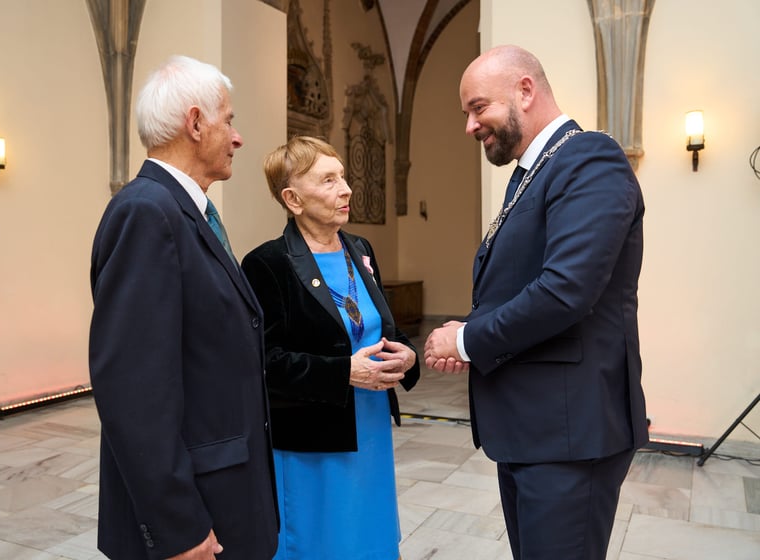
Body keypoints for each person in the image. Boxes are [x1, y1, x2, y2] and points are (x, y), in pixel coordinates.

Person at [424, 45, 648, 560]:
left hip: (568, 433)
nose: (470, 126)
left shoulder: (589, 158)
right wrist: (472, 337)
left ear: (524, 90)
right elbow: (516, 286)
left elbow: (564, 290)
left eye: (478, 107)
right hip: (532, 428)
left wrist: (467, 340)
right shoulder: (534, 171)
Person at [88, 55, 278, 560]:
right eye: (229, 121)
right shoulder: (146, 213)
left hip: (221, 488)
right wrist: (178, 527)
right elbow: (134, 391)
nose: (237, 137)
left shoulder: (181, 211)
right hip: (194, 517)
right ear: (195, 124)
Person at [241, 136, 420, 560]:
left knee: (367, 535)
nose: (346, 189)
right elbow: (264, 362)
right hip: (312, 439)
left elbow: (380, 326)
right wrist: (344, 372)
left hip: (370, 427)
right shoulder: (267, 264)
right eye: (328, 180)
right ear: (293, 199)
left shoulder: (360, 249)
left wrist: (407, 354)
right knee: (321, 540)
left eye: (342, 176)